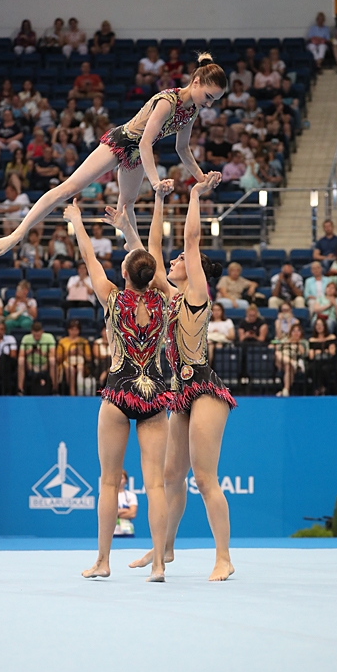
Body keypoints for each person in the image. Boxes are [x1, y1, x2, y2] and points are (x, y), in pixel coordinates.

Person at [0, 47, 227, 256]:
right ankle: (18, 233)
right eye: (208, 97)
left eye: (214, 100)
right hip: (121, 142)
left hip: (135, 155)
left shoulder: (192, 111)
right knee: (69, 188)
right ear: (195, 82)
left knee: (127, 206)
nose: (209, 105)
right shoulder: (168, 101)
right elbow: (145, 142)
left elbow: (182, 148)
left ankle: (137, 254)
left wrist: (202, 178)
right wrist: (155, 182)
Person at [62, 201, 173, 583]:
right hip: (156, 395)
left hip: (118, 393)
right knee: (155, 482)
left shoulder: (111, 297)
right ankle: (158, 564)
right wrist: (135, 226)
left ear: (124, 273)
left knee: (109, 481)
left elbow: (89, 257)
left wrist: (77, 220)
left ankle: (103, 561)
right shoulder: (165, 300)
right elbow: (150, 259)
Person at [130, 176, 234, 582]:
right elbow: (151, 252)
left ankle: (223, 557)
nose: (171, 263)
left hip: (206, 389)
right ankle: (165, 548)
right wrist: (153, 204)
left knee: (205, 478)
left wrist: (192, 196)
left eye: (179, 262)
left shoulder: (196, 295)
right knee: (172, 476)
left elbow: (190, 243)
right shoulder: (172, 297)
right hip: (179, 393)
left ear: (194, 271)